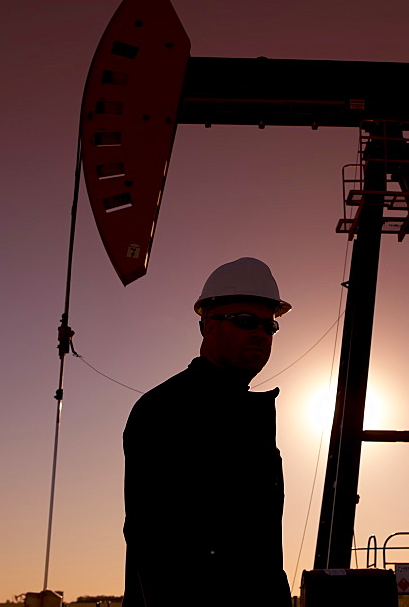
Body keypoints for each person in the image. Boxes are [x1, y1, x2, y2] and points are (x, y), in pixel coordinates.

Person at [123, 257, 293, 607]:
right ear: (208, 326)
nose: (261, 333)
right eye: (246, 321)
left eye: (269, 325)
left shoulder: (247, 415)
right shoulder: (166, 410)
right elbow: (155, 543)